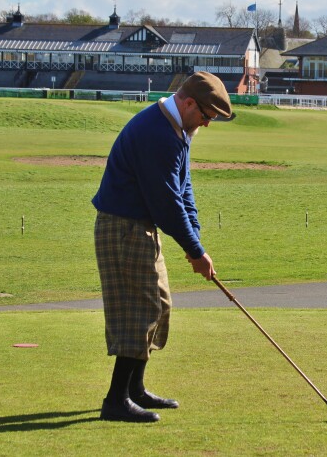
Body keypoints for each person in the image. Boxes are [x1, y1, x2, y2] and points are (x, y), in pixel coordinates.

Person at [92, 71, 234, 423]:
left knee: (160, 305)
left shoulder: (177, 129)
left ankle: (135, 389)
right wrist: (196, 252)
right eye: (206, 117)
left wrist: (195, 241)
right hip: (123, 228)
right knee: (139, 311)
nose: (207, 124)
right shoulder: (158, 134)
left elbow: (183, 188)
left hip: (140, 228)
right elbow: (166, 204)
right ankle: (115, 400)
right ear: (188, 104)